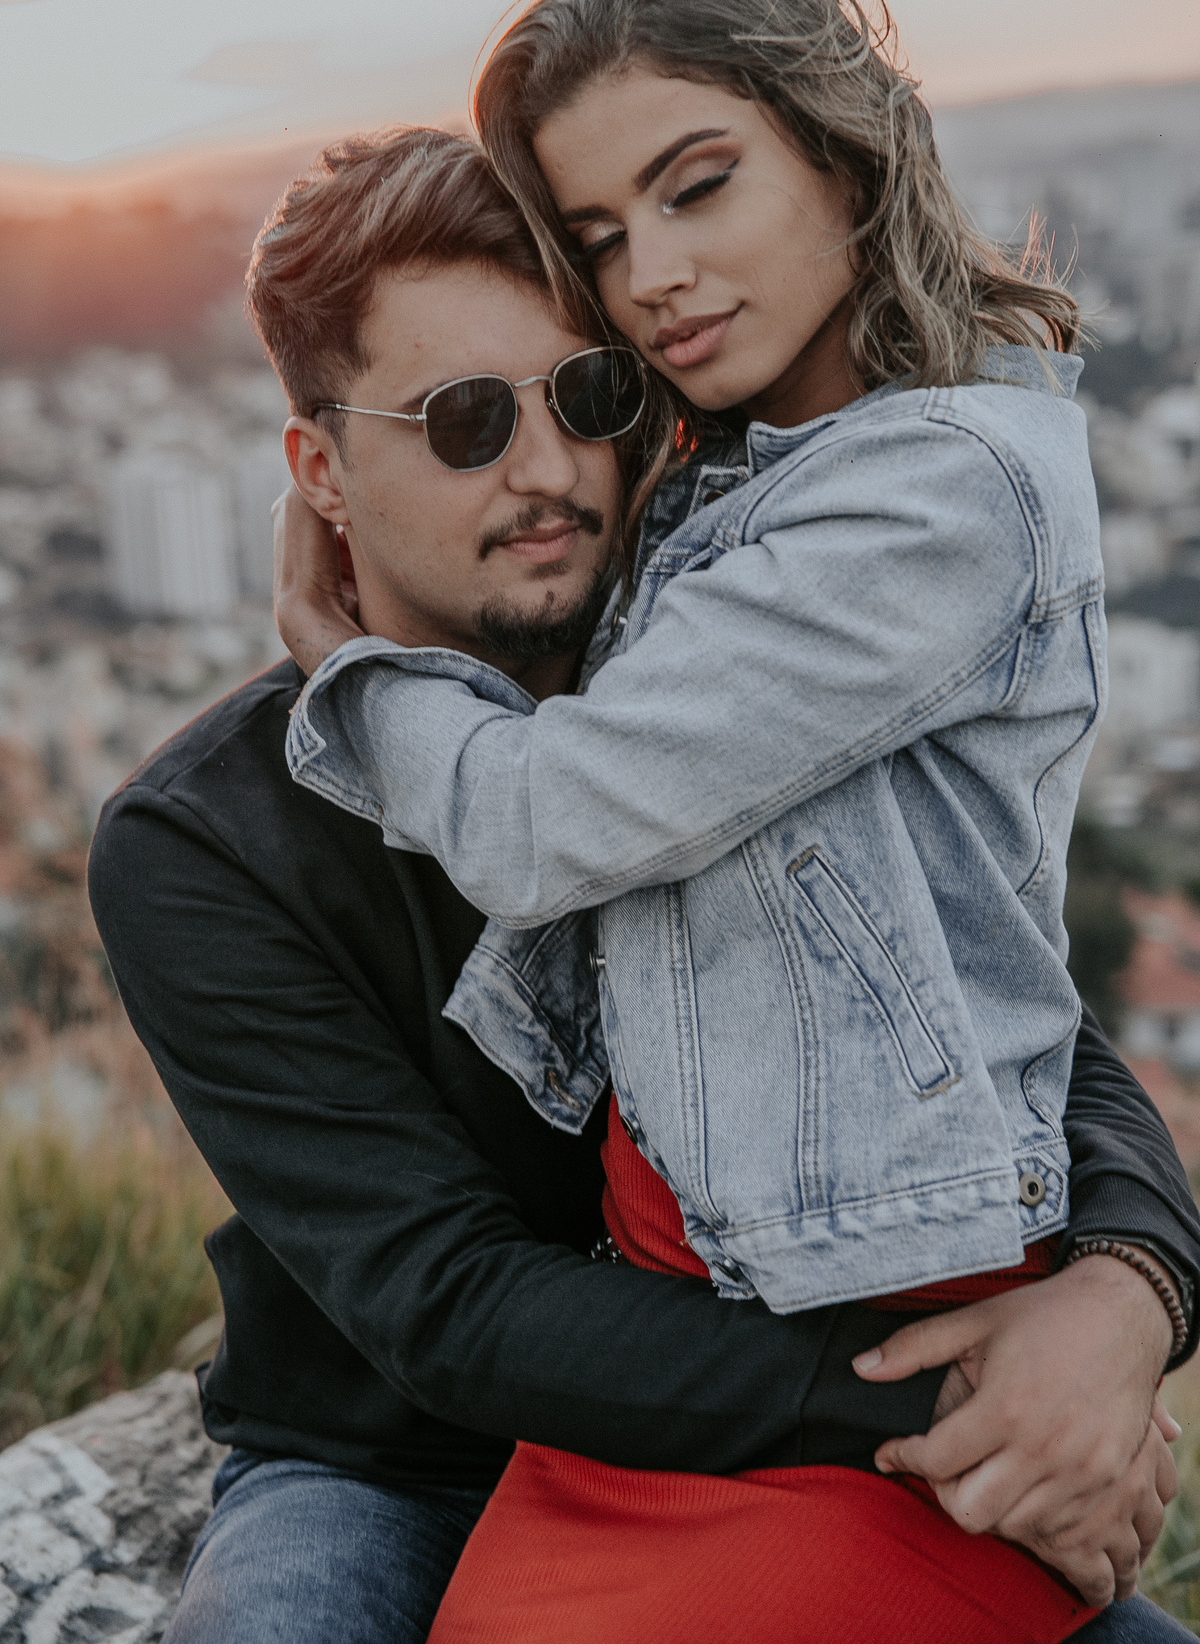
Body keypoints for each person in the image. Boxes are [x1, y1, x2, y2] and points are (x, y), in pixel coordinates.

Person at [90, 128, 1194, 1644]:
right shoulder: (203, 838)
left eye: (589, 396)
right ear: (321, 472)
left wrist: (1129, 1291)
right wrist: (964, 1402)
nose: (549, 472)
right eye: (466, 420)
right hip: (403, 1459)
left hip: (785, 1452)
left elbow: (1011, 1012)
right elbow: (447, 1304)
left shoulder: (733, 685)